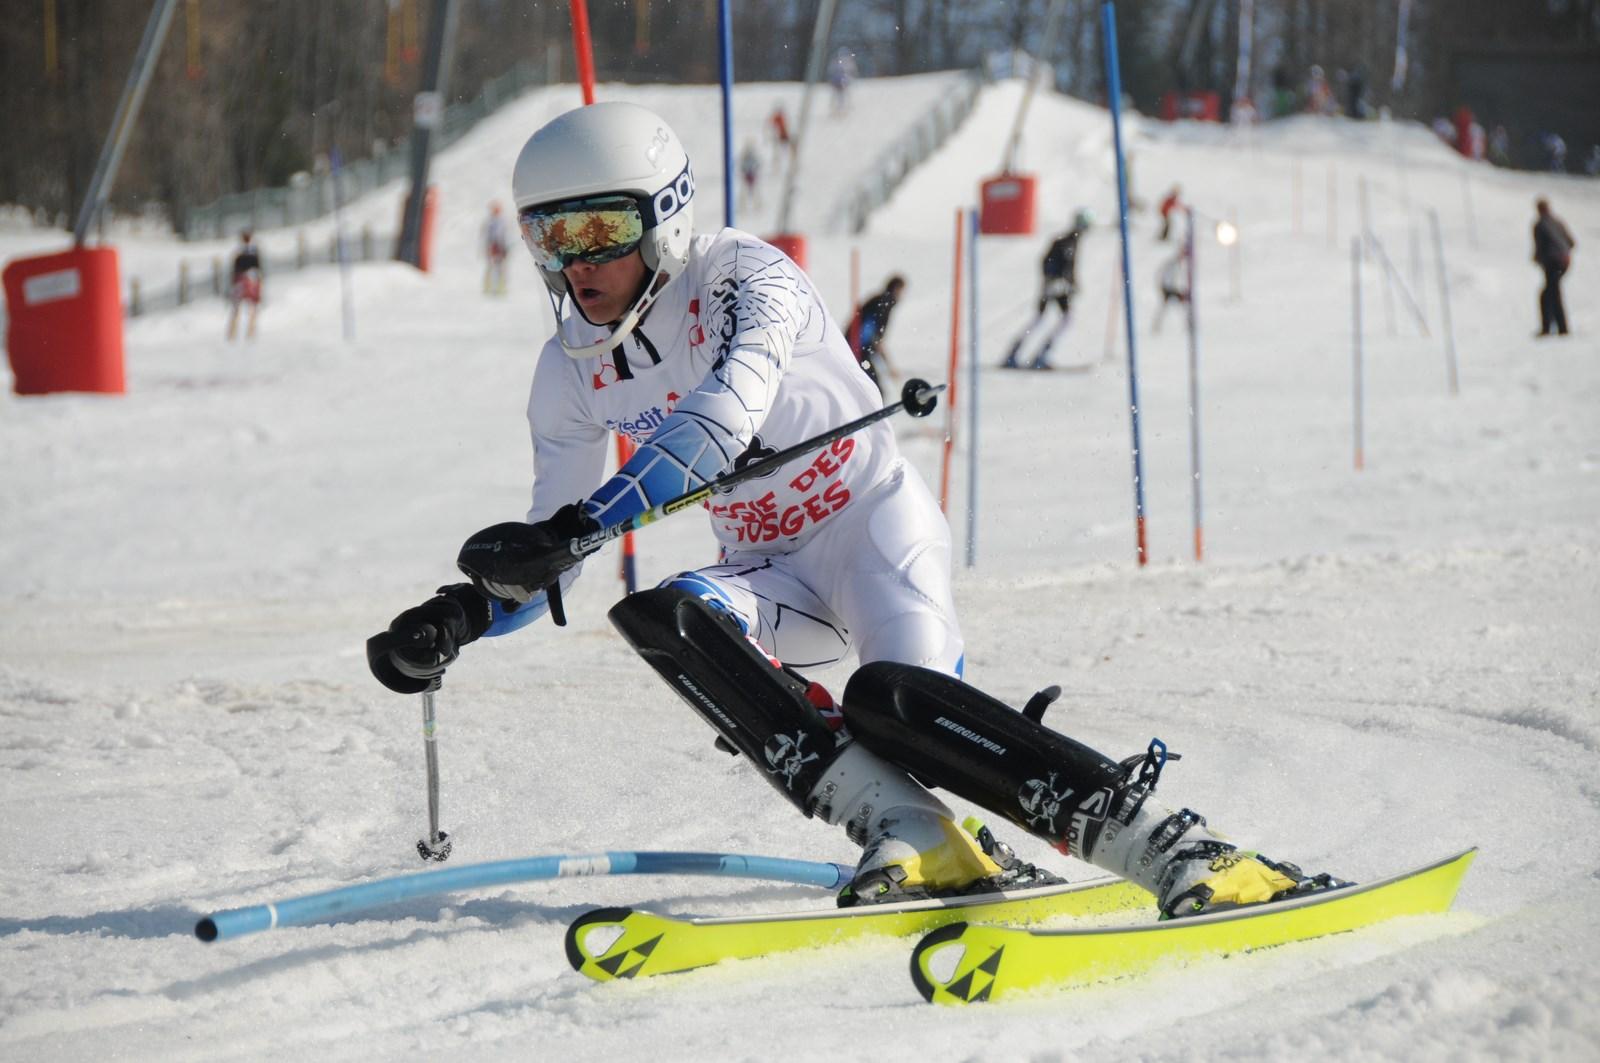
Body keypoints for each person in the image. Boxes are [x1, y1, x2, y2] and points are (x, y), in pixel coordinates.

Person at [366, 101, 1341, 917]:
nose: (574, 262)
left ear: (662, 217)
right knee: (662, 613)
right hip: (769, 568)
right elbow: (556, 547)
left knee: (894, 703)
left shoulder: (744, 276)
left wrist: (575, 526)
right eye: (549, 236)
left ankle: (1181, 848)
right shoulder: (569, 370)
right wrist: (459, 615)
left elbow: (723, 416)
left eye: (597, 231)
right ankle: (915, 832)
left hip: (869, 530)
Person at [1001, 209, 1091, 370]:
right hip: (1054, 287)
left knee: (1058, 319)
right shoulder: (1065, 242)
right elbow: (1048, 263)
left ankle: (1036, 356)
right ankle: (1021, 355)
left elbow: (1066, 267)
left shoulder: (1071, 241)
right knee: (1044, 319)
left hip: (1061, 288)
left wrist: (1071, 283)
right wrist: (1053, 280)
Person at [844, 275, 904, 398]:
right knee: (875, 391)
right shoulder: (883, 304)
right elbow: (873, 337)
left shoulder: (879, 301)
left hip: (856, 349)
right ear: (896, 289)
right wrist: (889, 366)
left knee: (871, 389)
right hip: (857, 352)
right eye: (901, 291)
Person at [1533, 198, 1575, 337]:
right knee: (1552, 293)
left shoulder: (1540, 225)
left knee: (1549, 294)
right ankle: (1560, 327)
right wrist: (1564, 254)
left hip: (1552, 263)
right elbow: (1571, 242)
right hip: (1563, 263)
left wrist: (1538, 258)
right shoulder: (1558, 222)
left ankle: (1552, 328)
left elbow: (1540, 245)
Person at [225, 231, 262, 340]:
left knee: (239, 307)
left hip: (243, 280)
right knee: (249, 307)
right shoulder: (251, 252)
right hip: (249, 280)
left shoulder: (241, 253)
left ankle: (236, 332)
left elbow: (236, 269)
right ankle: (248, 331)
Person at [1151, 243, 1191, 335]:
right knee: (1171, 307)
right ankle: (1157, 326)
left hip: (1169, 288)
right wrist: (1176, 291)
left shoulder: (1177, 264)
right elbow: (1169, 278)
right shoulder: (1173, 264)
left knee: (1166, 308)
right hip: (1169, 288)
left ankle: (1157, 326)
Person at [483, 201, 510, 295]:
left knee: (501, 268)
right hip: (492, 247)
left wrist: (505, 248)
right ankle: (488, 288)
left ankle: (501, 288)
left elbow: (505, 236)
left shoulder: (502, 221)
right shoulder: (489, 222)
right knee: (490, 267)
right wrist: (488, 248)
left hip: (500, 247)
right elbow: (486, 236)